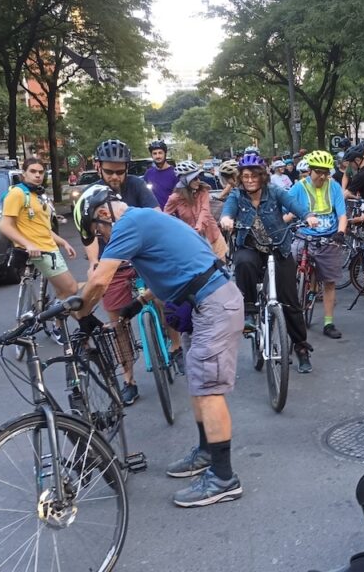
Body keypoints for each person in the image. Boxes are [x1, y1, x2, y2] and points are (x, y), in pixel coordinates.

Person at [75, 186, 244, 508]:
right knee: (199, 384)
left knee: (209, 390)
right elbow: (177, 264)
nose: (102, 237)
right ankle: (207, 452)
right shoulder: (144, 220)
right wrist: (137, 304)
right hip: (205, 303)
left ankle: (224, 478)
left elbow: (98, 281)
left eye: (98, 230)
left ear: (104, 214)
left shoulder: (128, 224)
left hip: (213, 305)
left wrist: (81, 315)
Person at [79, 139, 167, 405]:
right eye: (109, 172)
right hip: (112, 261)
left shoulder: (137, 185)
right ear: (98, 167)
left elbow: (156, 214)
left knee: (165, 296)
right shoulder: (92, 194)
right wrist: (93, 262)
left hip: (143, 253)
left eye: (120, 171)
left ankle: (174, 346)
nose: (115, 177)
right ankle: (129, 379)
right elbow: (88, 235)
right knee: (117, 321)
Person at [219, 153, 320, 373]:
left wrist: (308, 216)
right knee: (243, 262)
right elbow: (227, 211)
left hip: (278, 248)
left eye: (254, 176)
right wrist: (226, 219)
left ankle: (301, 348)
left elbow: (294, 204)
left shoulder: (274, 192)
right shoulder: (236, 195)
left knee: (290, 302)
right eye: (245, 176)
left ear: (262, 176)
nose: (249, 180)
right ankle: (249, 311)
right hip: (251, 248)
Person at [0, 157, 79, 344]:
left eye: (41, 172)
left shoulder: (38, 195)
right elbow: (5, 225)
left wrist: (63, 242)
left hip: (50, 248)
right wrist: (27, 244)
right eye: (33, 171)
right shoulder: (18, 194)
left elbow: (44, 229)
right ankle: (57, 323)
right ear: (24, 173)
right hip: (38, 251)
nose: (37, 175)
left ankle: (55, 319)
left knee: (62, 290)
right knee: (71, 288)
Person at [287, 150, 348, 339]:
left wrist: (340, 232)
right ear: (310, 170)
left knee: (329, 281)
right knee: (289, 265)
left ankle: (328, 322)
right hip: (304, 237)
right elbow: (285, 211)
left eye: (325, 172)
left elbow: (342, 215)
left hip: (328, 238)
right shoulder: (298, 188)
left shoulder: (334, 187)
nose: (322, 176)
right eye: (318, 172)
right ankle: (302, 291)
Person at [165, 161, 227, 259]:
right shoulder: (175, 198)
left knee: (222, 265)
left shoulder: (203, 190)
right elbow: (165, 218)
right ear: (185, 180)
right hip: (193, 241)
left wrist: (198, 227)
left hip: (213, 235)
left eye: (198, 177)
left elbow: (205, 210)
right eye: (194, 178)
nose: (198, 181)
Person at [145, 140, 179, 209]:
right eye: (154, 153)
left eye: (160, 153)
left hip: (171, 213)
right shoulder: (148, 173)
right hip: (154, 213)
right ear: (152, 156)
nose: (157, 156)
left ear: (165, 154)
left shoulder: (175, 173)